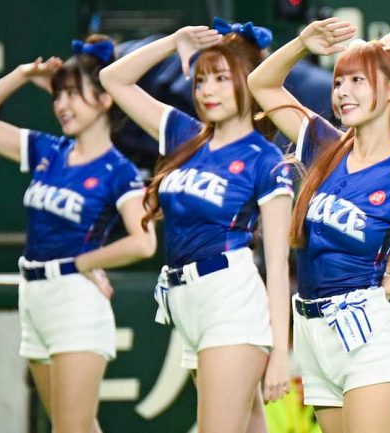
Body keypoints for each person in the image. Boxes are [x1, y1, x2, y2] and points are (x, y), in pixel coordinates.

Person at [248, 18, 390, 433]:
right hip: (311, 332)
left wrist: (382, 284)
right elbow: (261, 84)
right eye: (338, 82)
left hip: (365, 337)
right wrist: (302, 43)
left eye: (357, 81)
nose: (342, 92)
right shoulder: (324, 147)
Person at [0, 35, 157, 433]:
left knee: (69, 428)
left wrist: (85, 262)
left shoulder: (118, 171)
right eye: (58, 95)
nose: (62, 105)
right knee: (73, 427)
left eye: (73, 94)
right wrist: (21, 74)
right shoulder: (50, 151)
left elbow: (144, 241)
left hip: (74, 301)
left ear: (105, 99)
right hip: (34, 297)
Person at [99, 18, 293, 433]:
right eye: (201, 79)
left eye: (221, 78)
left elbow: (277, 265)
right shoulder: (184, 134)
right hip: (184, 300)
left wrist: (280, 352)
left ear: (249, 82)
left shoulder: (265, 159)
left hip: (230, 299)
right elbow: (113, 79)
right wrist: (173, 41)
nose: (206, 90)